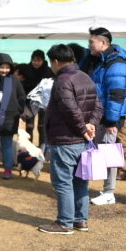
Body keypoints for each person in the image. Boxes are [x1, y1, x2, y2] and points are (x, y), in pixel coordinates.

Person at [38, 44, 102, 235]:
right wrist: (92, 125)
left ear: (56, 61)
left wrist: (83, 129)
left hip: (66, 139)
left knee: (63, 182)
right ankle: (80, 220)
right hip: (82, 140)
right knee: (80, 181)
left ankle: (65, 223)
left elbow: (70, 109)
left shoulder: (62, 80)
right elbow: (98, 106)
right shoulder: (85, 77)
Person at [80, 27, 126, 207]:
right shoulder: (90, 60)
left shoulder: (115, 64)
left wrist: (111, 121)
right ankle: (82, 187)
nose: (88, 45)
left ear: (103, 43)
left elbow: (117, 94)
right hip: (91, 114)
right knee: (88, 150)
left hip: (107, 117)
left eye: (91, 41)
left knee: (109, 152)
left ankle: (109, 191)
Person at [19, 50, 54, 145]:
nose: (36, 63)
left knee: (42, 126)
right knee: (29, 125)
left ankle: (42, 147)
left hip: (43, 101)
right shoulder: (26, 69)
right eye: (34, 60)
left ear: (43, 60)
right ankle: (29, 147)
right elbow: (17, 73)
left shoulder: (48, 70)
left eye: (38, 60)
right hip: (30, 101)